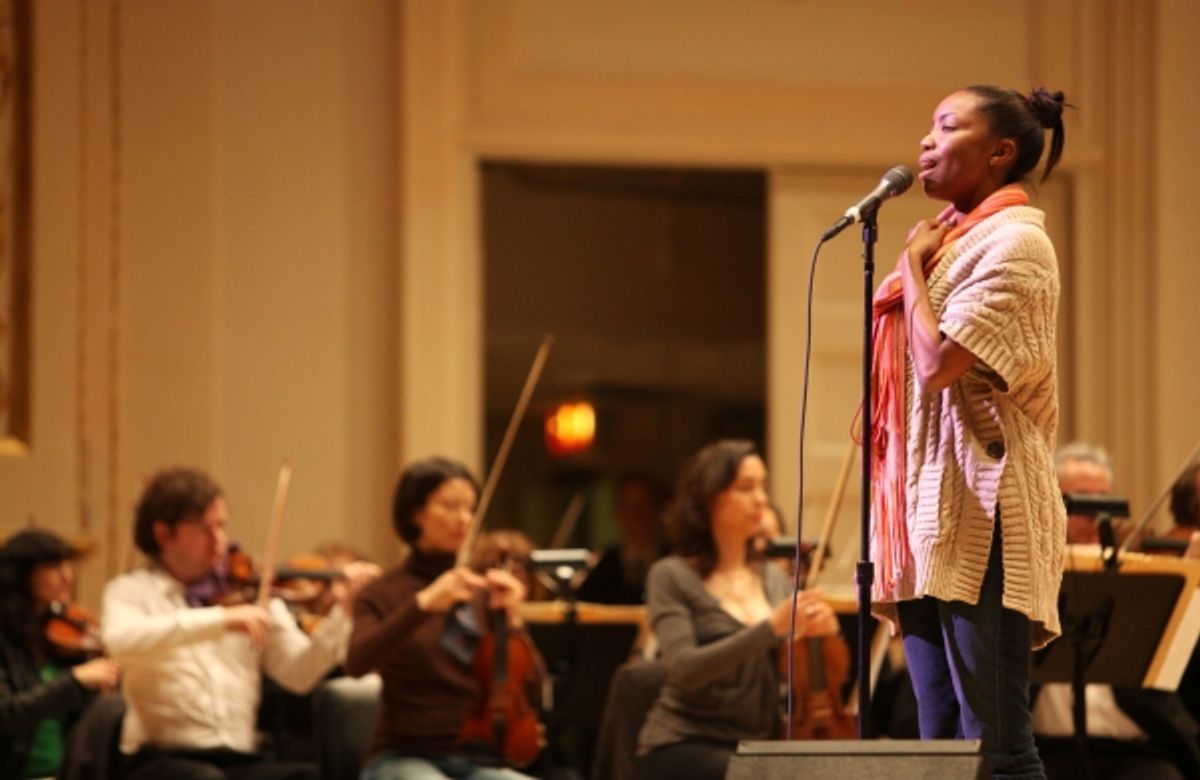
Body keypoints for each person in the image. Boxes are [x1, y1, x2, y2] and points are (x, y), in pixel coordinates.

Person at [868, 85, 1071, 778]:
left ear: (999, 152)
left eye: (949, 126)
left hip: (988, 510)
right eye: (929, 125)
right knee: (943, 751)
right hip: (928, 512)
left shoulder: (1018, 244)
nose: (927, 140)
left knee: (997, 747)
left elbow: (937, 366)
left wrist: (910, 269)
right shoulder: (950, 242)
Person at [100, 467, 377, 780]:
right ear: (163, 534)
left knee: (306, 777)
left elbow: (299, 673)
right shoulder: (131, 591)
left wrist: (345, 612)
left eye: (221, 526)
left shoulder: (248, 594)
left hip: (238, 760)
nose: (219, 541)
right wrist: (221, 620)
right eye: (204, 530)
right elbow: (119, 640)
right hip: (160, 759)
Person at [634, 440, 839, 780]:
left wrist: (823, 636)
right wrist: (770, 628)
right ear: (708, 498)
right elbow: (685, 669)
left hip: (755, 744)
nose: (760, 499)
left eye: (763, 487)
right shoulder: (671, 575)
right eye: (746, 487)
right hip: (685, 741)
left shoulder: (773, 578)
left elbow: (796, 675)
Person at [344, 457, 537, 780]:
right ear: (415, 513)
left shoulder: (482, 595)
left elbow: (535, 692)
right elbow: (356, 662)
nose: (463, 519)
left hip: (474, 759)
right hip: (400, 756)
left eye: (470, 508)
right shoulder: (382, 592)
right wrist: (423, 604)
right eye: (450, 506)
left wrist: (514, 622)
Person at [1031, 442, 1200, 780]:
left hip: (1133, 752)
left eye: (1104, 501)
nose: (1094, 516)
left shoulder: (1142, 577)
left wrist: (1193, 593)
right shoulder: (1024, 574)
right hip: (1045, 750)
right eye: (1079, 501)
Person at [0, 529, 121, 779]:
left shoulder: (59, 632)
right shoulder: (5, 638)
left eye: (68, 565)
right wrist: (75, 681)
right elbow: (6, 714)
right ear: (21, 574)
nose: (68, 576)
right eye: (54, 566)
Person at [577, 473, 669, 605]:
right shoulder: (599, 564)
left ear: (658, 510)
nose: (637, 514)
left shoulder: (675, 561)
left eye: (645, 504)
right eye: (629, 505)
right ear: (618, 511)